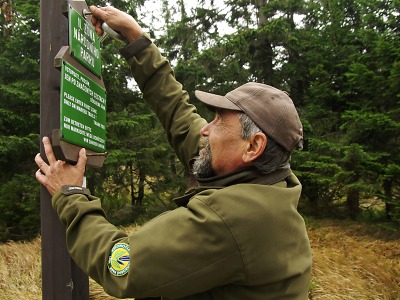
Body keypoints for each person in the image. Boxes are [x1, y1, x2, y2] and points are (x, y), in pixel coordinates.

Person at [35, 5, 312, 300]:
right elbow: (178, 113)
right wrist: (136, 39)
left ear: (253, 146)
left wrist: (71, 195)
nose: (206, 130)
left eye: (219, 121)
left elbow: (120, 264)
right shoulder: (260, 177)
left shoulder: (233, 220)